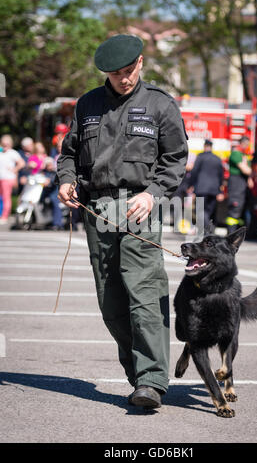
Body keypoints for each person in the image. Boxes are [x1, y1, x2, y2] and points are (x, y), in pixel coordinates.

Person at [56, 34, 188, 408]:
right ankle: (138, 374)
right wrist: (66, 180)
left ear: (141, 63)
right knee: (110, 301)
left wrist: (153, 194)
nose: (124, 78)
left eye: (129, 71)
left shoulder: (160, 105)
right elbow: (68, 154)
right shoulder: (88, 105)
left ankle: (151, 380)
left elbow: (175, 157)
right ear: (106, 74)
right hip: (97, 210)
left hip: (138, 206)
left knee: (144, 293)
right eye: (116, 74)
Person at [188, 139, 224, 230]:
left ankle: (207, 229)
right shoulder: (217, 158)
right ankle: (209, 228)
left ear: (205, 146)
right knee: (209, 210)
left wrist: (191, 185)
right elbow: (221, 175)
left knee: (201, 210)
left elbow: (194, 172)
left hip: (201, 189)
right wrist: (220, 190)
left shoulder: (200, 157)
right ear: (211, 147)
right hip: (214, 190)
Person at [226, 136, 253, 234]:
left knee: (241, 212)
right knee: (234, 211)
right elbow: (246, 170)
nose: (247, 146)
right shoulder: (236, 154)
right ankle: (231, 234)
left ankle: (238, 234)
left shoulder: (244, 156)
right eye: (246, 144)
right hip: (236, 188)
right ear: (242, 143)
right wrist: (249, 170)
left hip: (242, 188)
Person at [0, 134, 25, 224]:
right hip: (1, 178)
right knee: (1, 198)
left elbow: (22, 163)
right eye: (4, 144)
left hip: (8, 178)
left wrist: (14, 170)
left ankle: (5, 216)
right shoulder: (1, 152)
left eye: (7, 144)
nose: (5, 146)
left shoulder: (13, 153)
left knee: (6, 198)